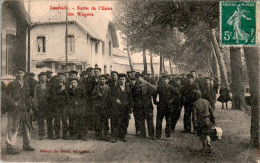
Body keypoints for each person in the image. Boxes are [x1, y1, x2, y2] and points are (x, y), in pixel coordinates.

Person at [5, 68, 34, 155]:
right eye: (18, 73)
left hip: (24, 108)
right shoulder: (11, 84)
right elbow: (5, 96)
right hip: (14, 109)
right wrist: (14, 102)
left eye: (21, 73)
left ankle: (26, 145)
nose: (20, 74)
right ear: (16, 74)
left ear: (24, 74)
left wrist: (30, 108)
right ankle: (9, 147)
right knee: (13, 127)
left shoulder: (26, 84)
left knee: (26, 126)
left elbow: (28, 97)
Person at [153, 74, 179, 140]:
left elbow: (177, 94)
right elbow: (154, 94)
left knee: (168, 121)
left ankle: (168, 135)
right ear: (162, 80)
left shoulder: (170, 87)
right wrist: (155, 101)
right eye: (164, 79)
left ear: (168, 80)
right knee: (159, 121)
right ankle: (158, 135)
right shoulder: (159, 87)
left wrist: (171, 100)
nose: (165, 80)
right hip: (161, 106)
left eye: (166, 79)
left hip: (168, 106)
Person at [110, 73, 133, 143]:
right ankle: (115, 136)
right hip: (117, 107)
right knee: (116, 121)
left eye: (123, 79)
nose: (122, 81)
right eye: (120, 79)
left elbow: (130, 98)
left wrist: (131, 106)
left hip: (125, 107)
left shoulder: (128, 88)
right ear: (118, 80)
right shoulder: (115, 87)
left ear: (125, 80)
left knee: (125, 122)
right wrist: (115, 99)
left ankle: (123, 135)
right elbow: (112, 96)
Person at [192, 90, 215, 155]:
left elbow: (194, 116)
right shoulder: (206, 101)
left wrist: (195, 125)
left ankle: (204, 148)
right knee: (207, 134)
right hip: (207, 120)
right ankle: (209, 145)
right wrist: (213, 120)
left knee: (202, 135)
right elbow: (211, 111)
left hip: (200, 121)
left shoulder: (195, 103)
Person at [49, 72, 70, 140]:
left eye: (62, 77)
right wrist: (60, 90)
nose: (61, 79)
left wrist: (65, 90)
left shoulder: (67, 86)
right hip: (56, 105)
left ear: (65, 78)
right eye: (60, 77)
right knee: (56, 119)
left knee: (64, 119)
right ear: (57, 78)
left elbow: (69, 96)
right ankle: (57, 134)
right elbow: (52, 96)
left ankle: (65, 134)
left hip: (64, 105)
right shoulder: (54, 86)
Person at [135, 74, 157, 139]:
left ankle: (151, 135)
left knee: (150, 121)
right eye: (138, 79)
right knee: (141, 121)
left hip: (148, 106)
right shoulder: (136, 86)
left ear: (143, 79)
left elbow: (155, 88)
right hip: (140, 107)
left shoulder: (147, 85)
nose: (139, 81)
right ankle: (142, 134)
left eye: (140, 79)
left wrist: (146, 83)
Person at [33, 72, 52, 140]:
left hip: (48, 105)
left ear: (46, 78)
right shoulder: (37, 86)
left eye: (44, 77)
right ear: (39, 78)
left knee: (49, 120)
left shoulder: (49, 85)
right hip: (40, 105)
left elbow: (52, 96)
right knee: (40, 120)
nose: (43, 79)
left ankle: (50, 134)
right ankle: (41, 134)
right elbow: (35, 96)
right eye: (41, 77)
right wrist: (35, 105)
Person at [92, 75, 111, 140]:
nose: (102, 80)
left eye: (103, 79)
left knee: (105, 120)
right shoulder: (96, 87)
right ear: (98, 80)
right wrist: (97, 96)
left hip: (105, 106)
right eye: (100, 79)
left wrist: (108, 105)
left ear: (105, 80)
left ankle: (105, 133)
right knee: (98, 120)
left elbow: (109, 97)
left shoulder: (108, 88)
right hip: (98, 106)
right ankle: (99, 133)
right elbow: (93, 97)